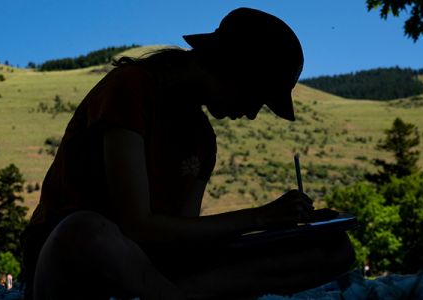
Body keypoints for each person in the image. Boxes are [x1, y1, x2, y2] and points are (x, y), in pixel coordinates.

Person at [21, 7, 354, 300]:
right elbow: (135, 227)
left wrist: (285, 233)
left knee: (334, 249)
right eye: (256, 97)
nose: (252, 113)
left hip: (153, 270)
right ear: (233, 69)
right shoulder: (131, 88)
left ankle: (177, 294)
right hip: (75, 264)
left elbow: (183, 240)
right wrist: (258, 217)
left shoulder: (202, 139)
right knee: (86, 230)